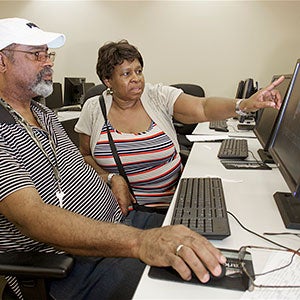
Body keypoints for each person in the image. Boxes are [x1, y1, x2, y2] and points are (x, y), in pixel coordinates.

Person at [0, 18, 233, 300]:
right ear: (2, 62)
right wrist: (139, 242)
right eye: (37, 55)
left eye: (48, 54)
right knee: (200, 290)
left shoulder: (44, 115)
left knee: (216, 248)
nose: (48, 62)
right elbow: (31, 217)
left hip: (120, 224)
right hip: (77, 262)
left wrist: (111, 178)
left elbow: (79, 167)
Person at [75, 39, 284, 214]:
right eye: (126, 74)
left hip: (171, 206)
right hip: (118, 210)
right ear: (107, 80)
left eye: (138, 71)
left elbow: (203, 107)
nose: (136, 79)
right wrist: (111, 179)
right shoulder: (94, 108)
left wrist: (243, 104)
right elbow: (84, 156)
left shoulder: (158, 96)